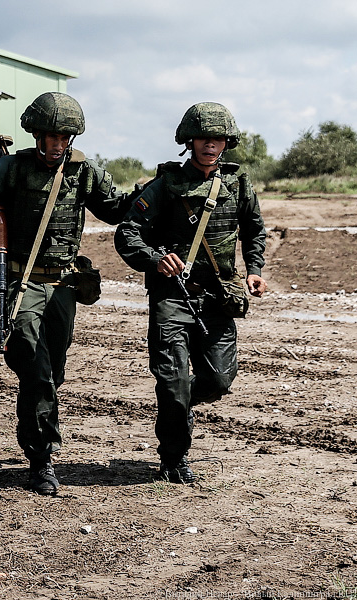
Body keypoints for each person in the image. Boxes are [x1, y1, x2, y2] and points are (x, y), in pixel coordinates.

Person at [0, 92, 130, 496]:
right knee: (35, 369)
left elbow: (117, 210)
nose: (58, 145)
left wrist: (158, 192)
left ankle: (36, 429)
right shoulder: (9, 169)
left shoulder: (84, 173)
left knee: (53, 372)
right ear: (36, 135)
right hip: (20, 284)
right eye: (51, 137)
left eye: (65, 138)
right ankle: (42, 458)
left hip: (63, 287)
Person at [114, 102, 267, 483]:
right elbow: (128, 233)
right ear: (189, 141)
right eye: (202, 138)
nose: (209, 145)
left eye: (217, 139)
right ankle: (174, 457)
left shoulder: (238, 184)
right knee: (173, 383)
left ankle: (179, 406)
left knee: (218, 381)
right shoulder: (166, 185)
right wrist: (155, 259)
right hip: (173, 297)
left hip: (219, 298)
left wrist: (255, 270)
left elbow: (254, 230)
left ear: (227, 142)